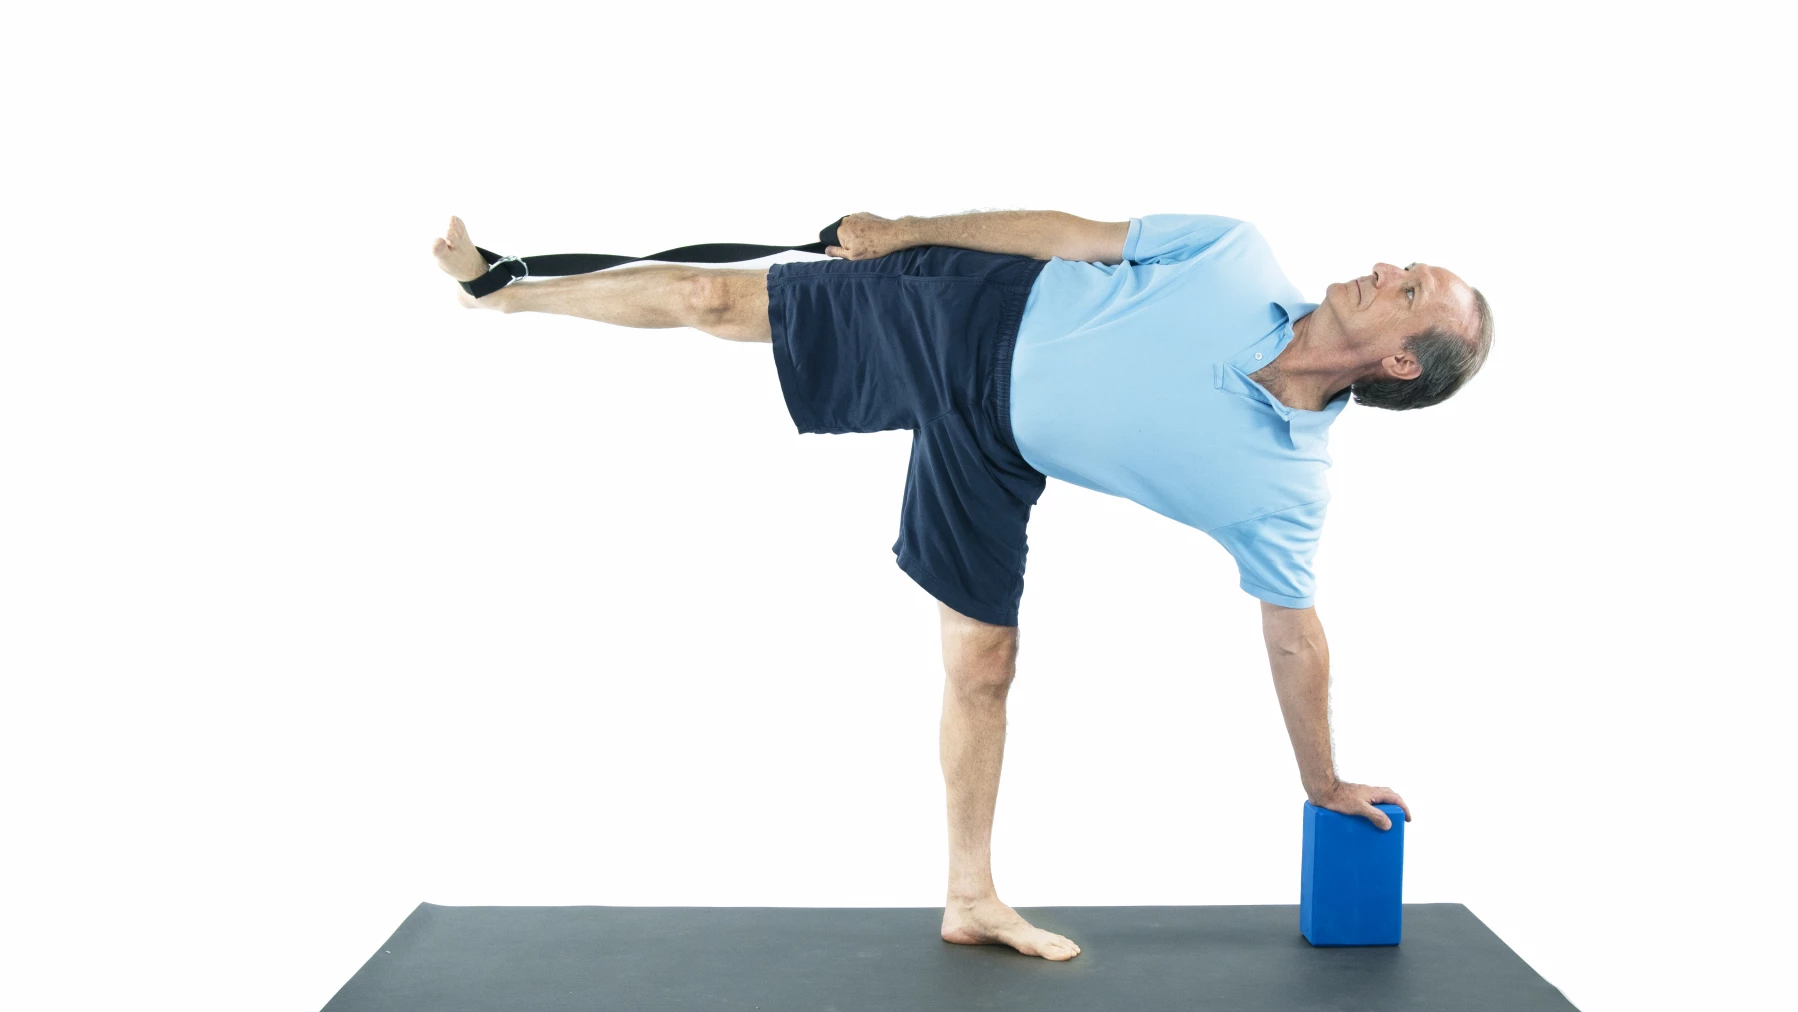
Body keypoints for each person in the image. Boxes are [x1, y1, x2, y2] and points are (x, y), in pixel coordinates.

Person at [429, 209, 1494, 962]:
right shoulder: (1232, 251)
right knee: (717, 299)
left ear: (1403, 362)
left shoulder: (1285, 485)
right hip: (969, 311)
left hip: (992, 448)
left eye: (1410, 292)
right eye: (1405, 266)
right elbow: (1064, 232)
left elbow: (1295, 637)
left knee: (986, 663)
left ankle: (970, 897)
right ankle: (507, 292)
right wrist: (901, 232)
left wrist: (1323, 781)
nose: (1385, 268)